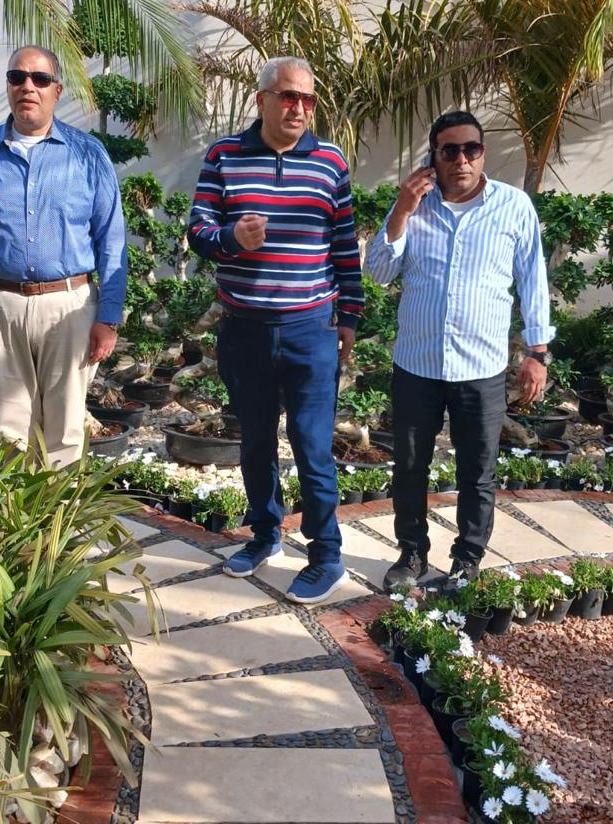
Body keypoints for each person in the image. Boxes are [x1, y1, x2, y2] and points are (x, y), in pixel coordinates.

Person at [187, 56, 364, 605]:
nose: (299, 108)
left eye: (308, 99)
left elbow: (344, 246)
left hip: (311, 330)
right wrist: (230, 239)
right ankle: (265, 535)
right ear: (261, 99)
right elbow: (198, 231)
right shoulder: (224, 155)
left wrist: (350, 317)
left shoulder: (330, 161)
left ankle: (327, 556)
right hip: (245, 329)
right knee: (255, 441)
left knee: (313, 446)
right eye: (289, 96)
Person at [365, 111, 553, 591]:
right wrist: (402, 210)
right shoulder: (413, 205)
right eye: (450, 150)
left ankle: (467, 560)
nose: (462, 159)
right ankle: (411, 554)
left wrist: (538, 352)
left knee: (477, 472)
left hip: (481, 368)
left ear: (483, 153)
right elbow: (379, 272)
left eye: (472, 149)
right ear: (434, 157)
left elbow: (533, 280)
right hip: (418, 365)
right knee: (410, 468)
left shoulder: (513, 206)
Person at [0, 45, 127, 467]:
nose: (28, 86)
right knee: (10, 428)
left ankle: (60, 509)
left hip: (71, 306)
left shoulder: (87, 153)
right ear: (8, 85)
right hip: (0, 306)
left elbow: (111, 240)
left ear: (56, 90)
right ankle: (15, 509)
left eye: (40, 79)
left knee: (66, 428)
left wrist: (109, 317)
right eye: (17, 77)